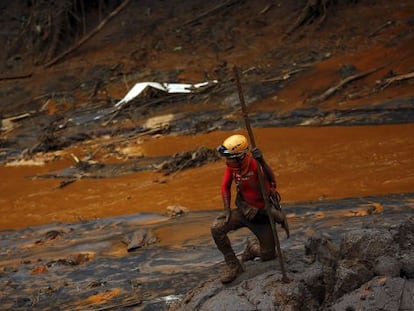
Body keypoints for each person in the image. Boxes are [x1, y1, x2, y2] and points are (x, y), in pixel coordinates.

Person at [211, 134, 289, 284]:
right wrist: (227, 209)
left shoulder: (255, 165)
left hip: (262, 215)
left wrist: (262, 160)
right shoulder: (232, 168)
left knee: (268, 255)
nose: (227, 161)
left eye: (230, 157)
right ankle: (234, 265)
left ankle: (252, 248)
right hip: (243, 211)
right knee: (216, 228)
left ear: (240, 156)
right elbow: (225, 186)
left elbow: (271, 179)